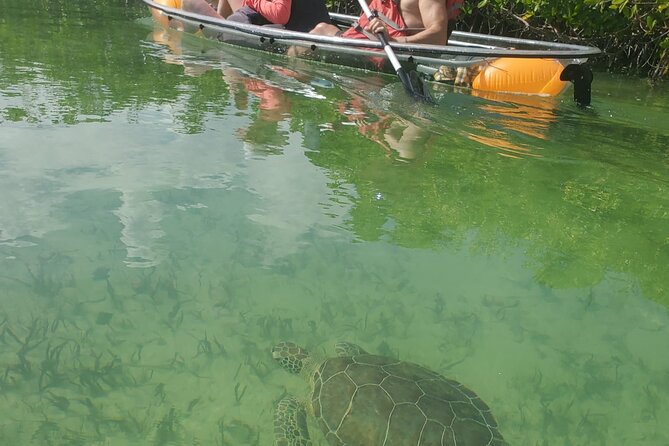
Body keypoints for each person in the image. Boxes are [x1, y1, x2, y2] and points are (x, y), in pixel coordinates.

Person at [310, 0, 463, 45]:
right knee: (322, 29)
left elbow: (439, 37)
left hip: (383, 54)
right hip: (361, 42)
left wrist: (393, 41)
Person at [182, 0, 330, 33]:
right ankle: (222, 27)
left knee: (192, 3)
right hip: (310, 24)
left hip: (301, 30)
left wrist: (253, 1)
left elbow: (280, 15)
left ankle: (221, 30)